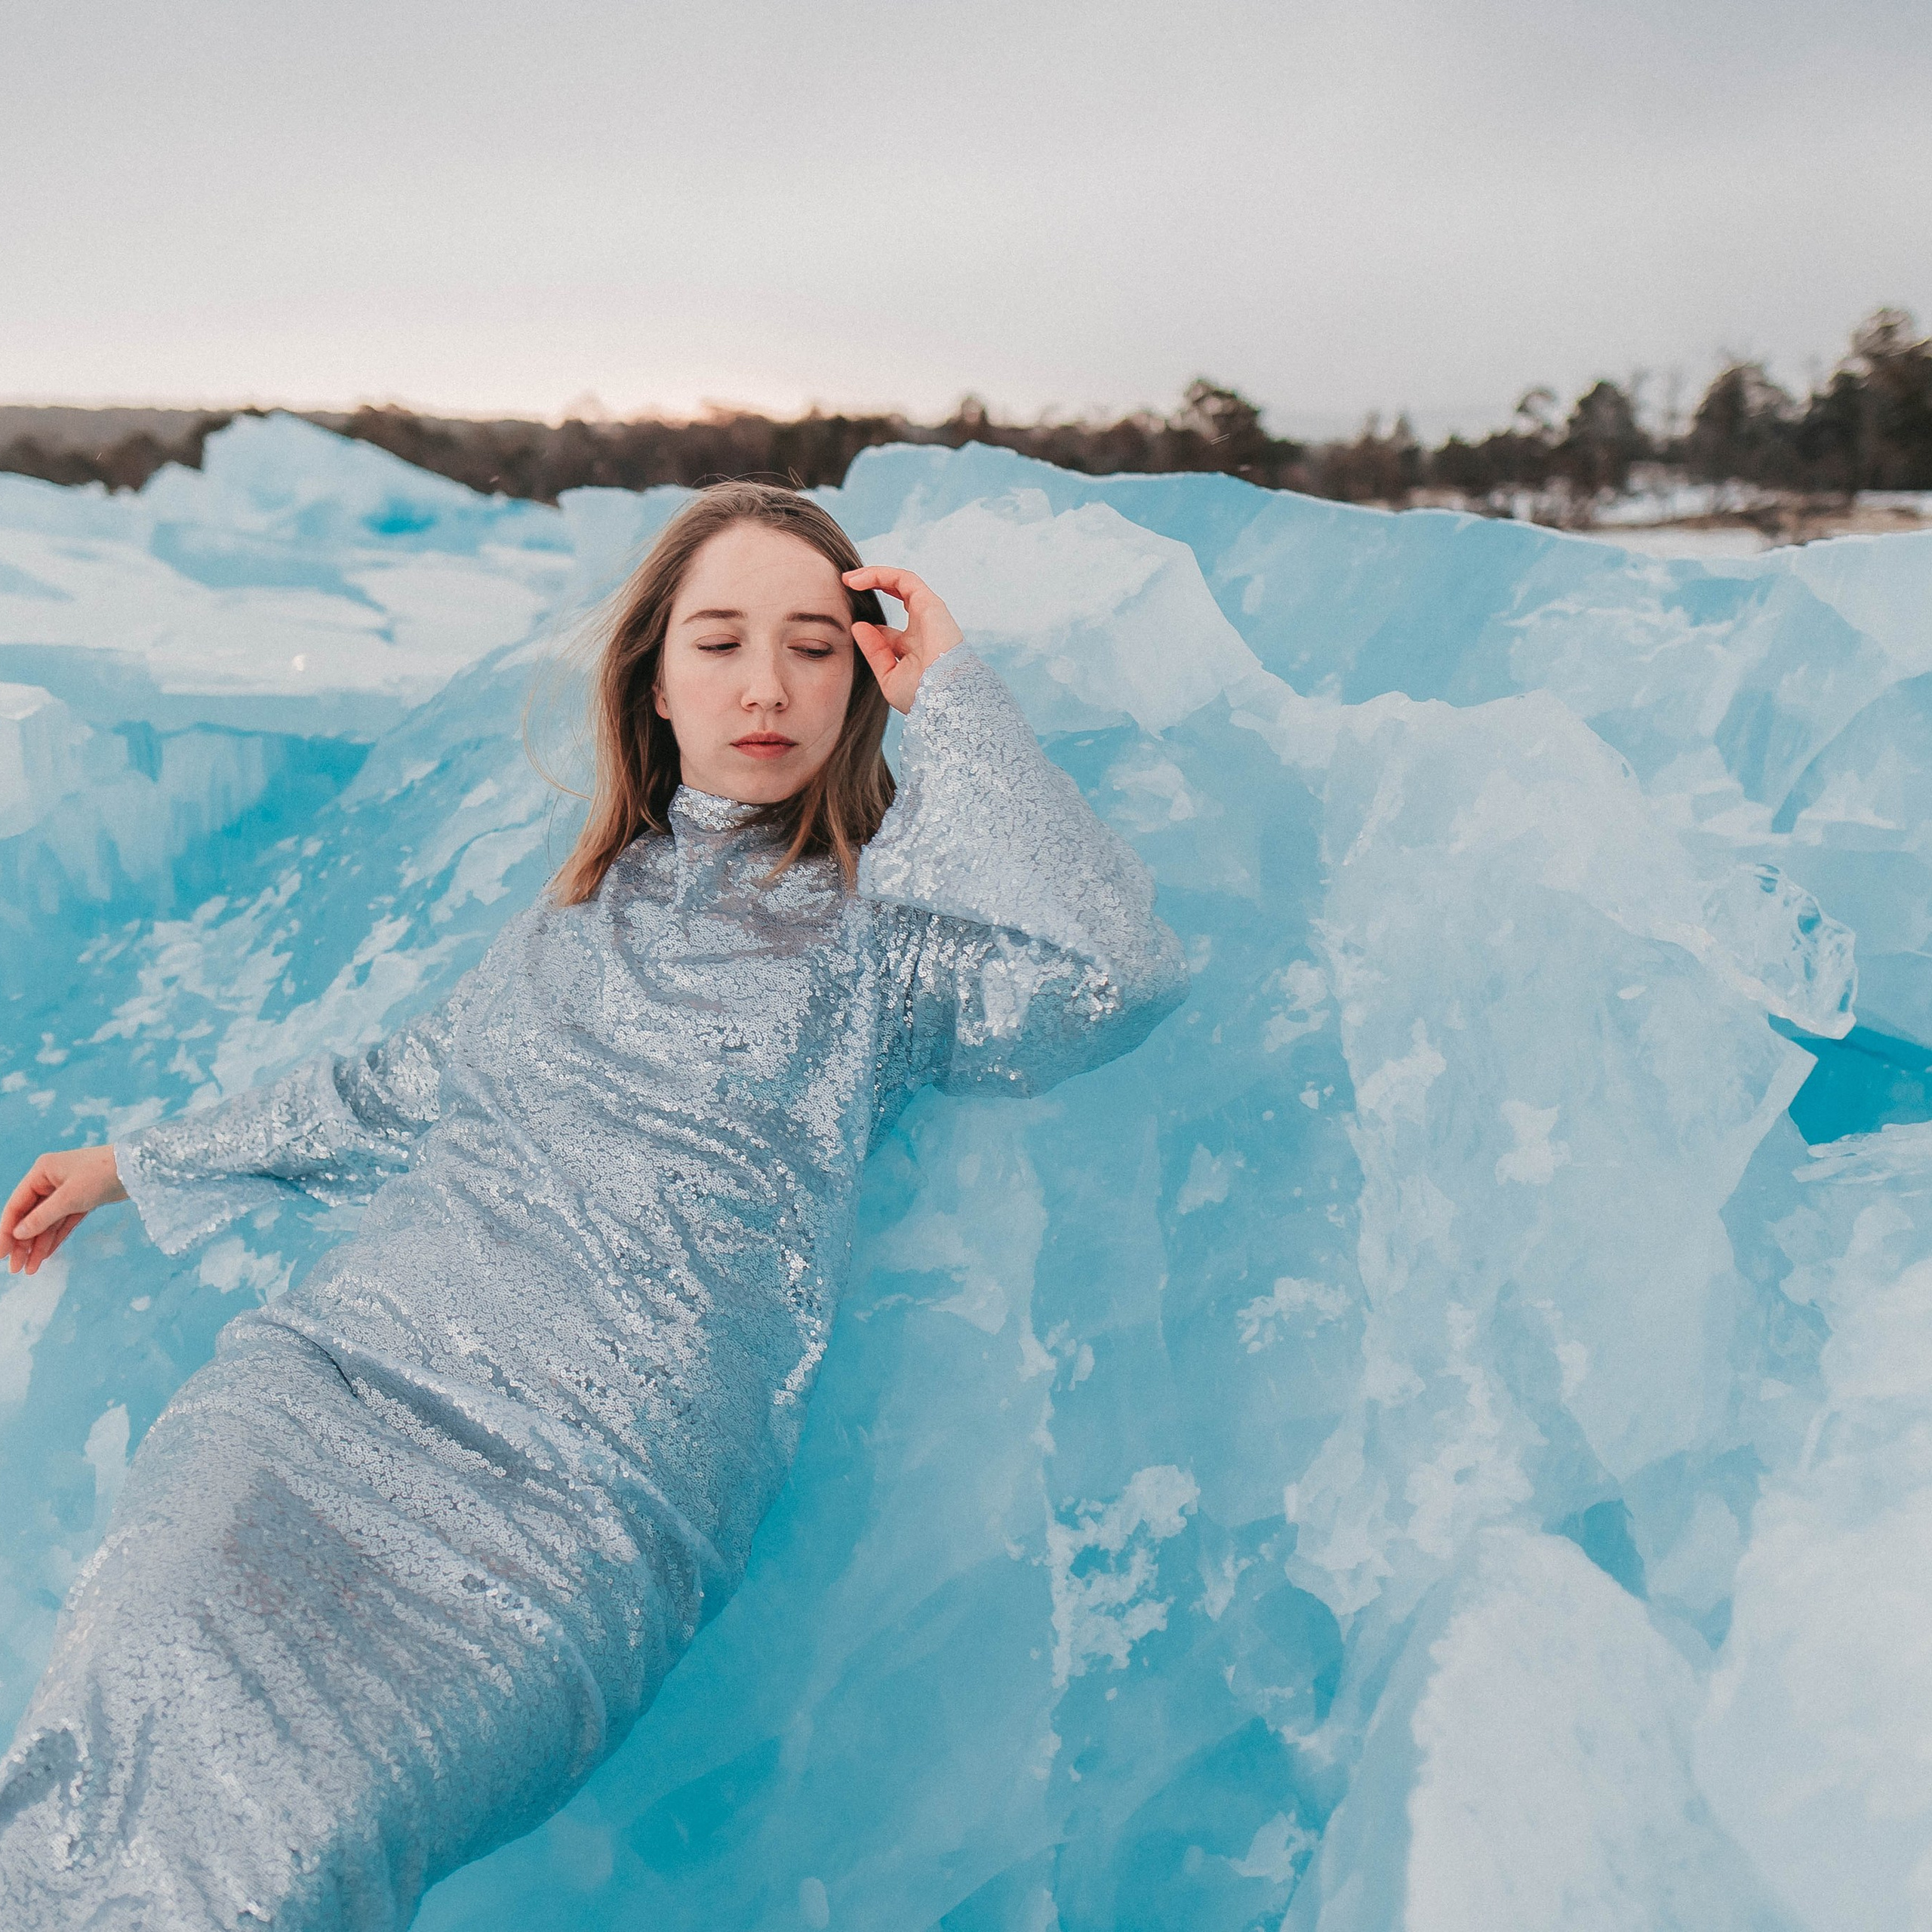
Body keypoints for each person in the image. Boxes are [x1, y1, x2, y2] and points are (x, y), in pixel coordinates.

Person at [0, 481, 1188, 1929]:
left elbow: (1109, 981)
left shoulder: (884, 948)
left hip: (590, 1511)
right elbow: (400, 1086)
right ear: (656, 680)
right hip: (326, 1397)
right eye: (722, 642)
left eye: (818, 645)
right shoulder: (579, 908)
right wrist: (139, 1159)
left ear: (861, 676)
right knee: (77, 1774)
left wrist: (960, 698)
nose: (767, 685)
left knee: (285, 1856)